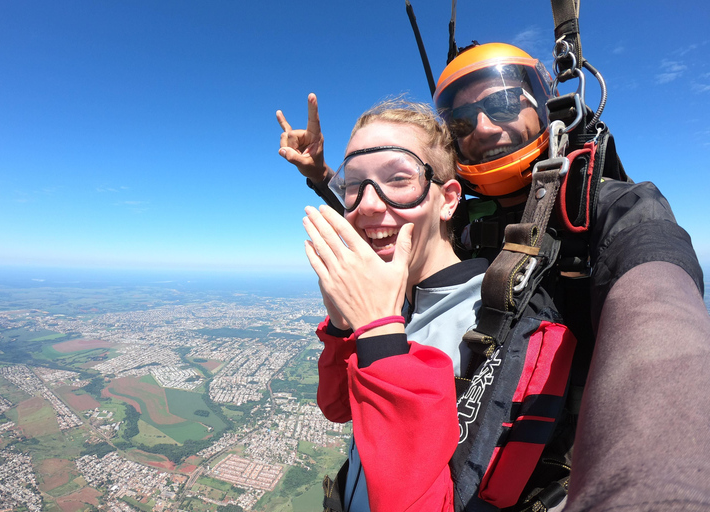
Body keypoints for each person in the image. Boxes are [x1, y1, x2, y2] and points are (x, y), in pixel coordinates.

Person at [281, 43, 710, 511]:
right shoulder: (406, 274)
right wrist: (325, 178)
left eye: (503, 103)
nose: (484, 127)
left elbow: (660, 319)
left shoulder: (614, 211)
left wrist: (660, 488)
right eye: (463, 122)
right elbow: (388, 215)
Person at [303, 98, 491, 511]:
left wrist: (380, 333)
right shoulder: (391, 299)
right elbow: (338, 408)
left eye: (399, 179)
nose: (368, 204)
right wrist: (340, 327)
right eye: (354, 184)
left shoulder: (495, 320)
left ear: (447, 199)